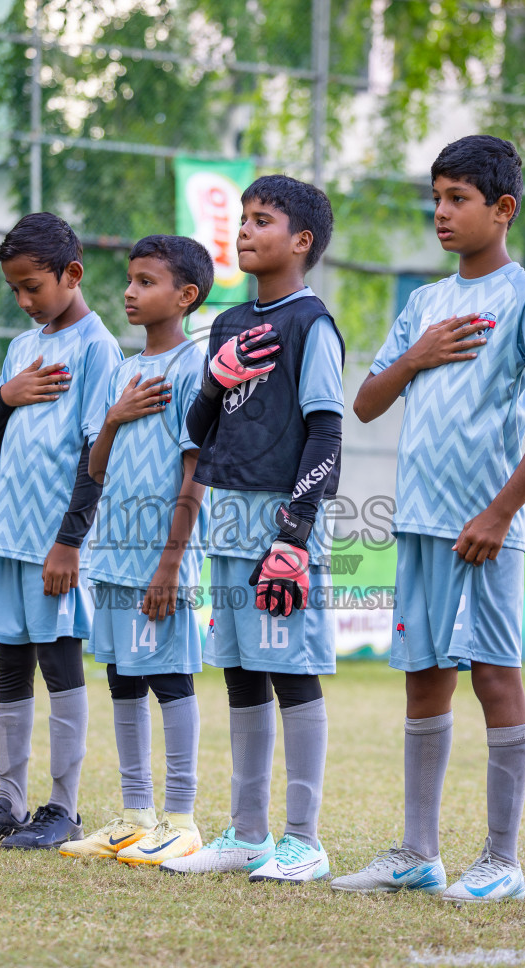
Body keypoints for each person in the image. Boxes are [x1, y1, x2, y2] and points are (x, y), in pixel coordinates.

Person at [335, 135, 525, 902]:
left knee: (495, 677)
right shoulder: (425, 305)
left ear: (502, 210)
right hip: (420, 523)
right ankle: (417, 852)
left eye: (458, 199)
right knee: (423, 678)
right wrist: (417, 355)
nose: (441, 212)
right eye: (436, 197)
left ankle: (502, 856)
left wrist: (503, 512)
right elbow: (365, 402)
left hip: (484, 530)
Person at [160, 174, 343, 885]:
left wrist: (294, 539)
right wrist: (214, 381)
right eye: (241, 217)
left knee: (291, 674)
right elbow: (195, 432)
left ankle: (305, 840)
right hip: (226, 526)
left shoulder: (311, 323)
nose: (243, 230)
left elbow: (326, 432)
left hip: (279, 534)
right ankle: (246, 834)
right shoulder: (230, 326)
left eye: (261, 219)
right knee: (240, 675)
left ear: (300, 242)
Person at [0, 213, 122, 850]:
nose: (22, 301)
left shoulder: (99, 349)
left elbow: (99, 451)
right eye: (13, 289)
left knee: (60, 664)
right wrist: (5, 398)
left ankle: (62, 809)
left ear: (71, 274)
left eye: (32, 287)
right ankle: (9, 803)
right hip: (10, 538)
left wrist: (70, 540)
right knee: (9, 667)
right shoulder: (23, 347)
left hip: (55, 544)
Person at [61, 235, 211, 866]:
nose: (129, 291)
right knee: (123, 679)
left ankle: (182, 819)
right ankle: (134, 816)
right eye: (129, 280)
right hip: (115, 557)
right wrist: (117, 416)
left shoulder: (193, 368)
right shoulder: (123, 371)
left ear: (186, 296)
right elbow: (94, 465)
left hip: (161, 560)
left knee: (169, 680)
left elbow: (195, 471)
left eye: (147, 282)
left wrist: (171, 564)